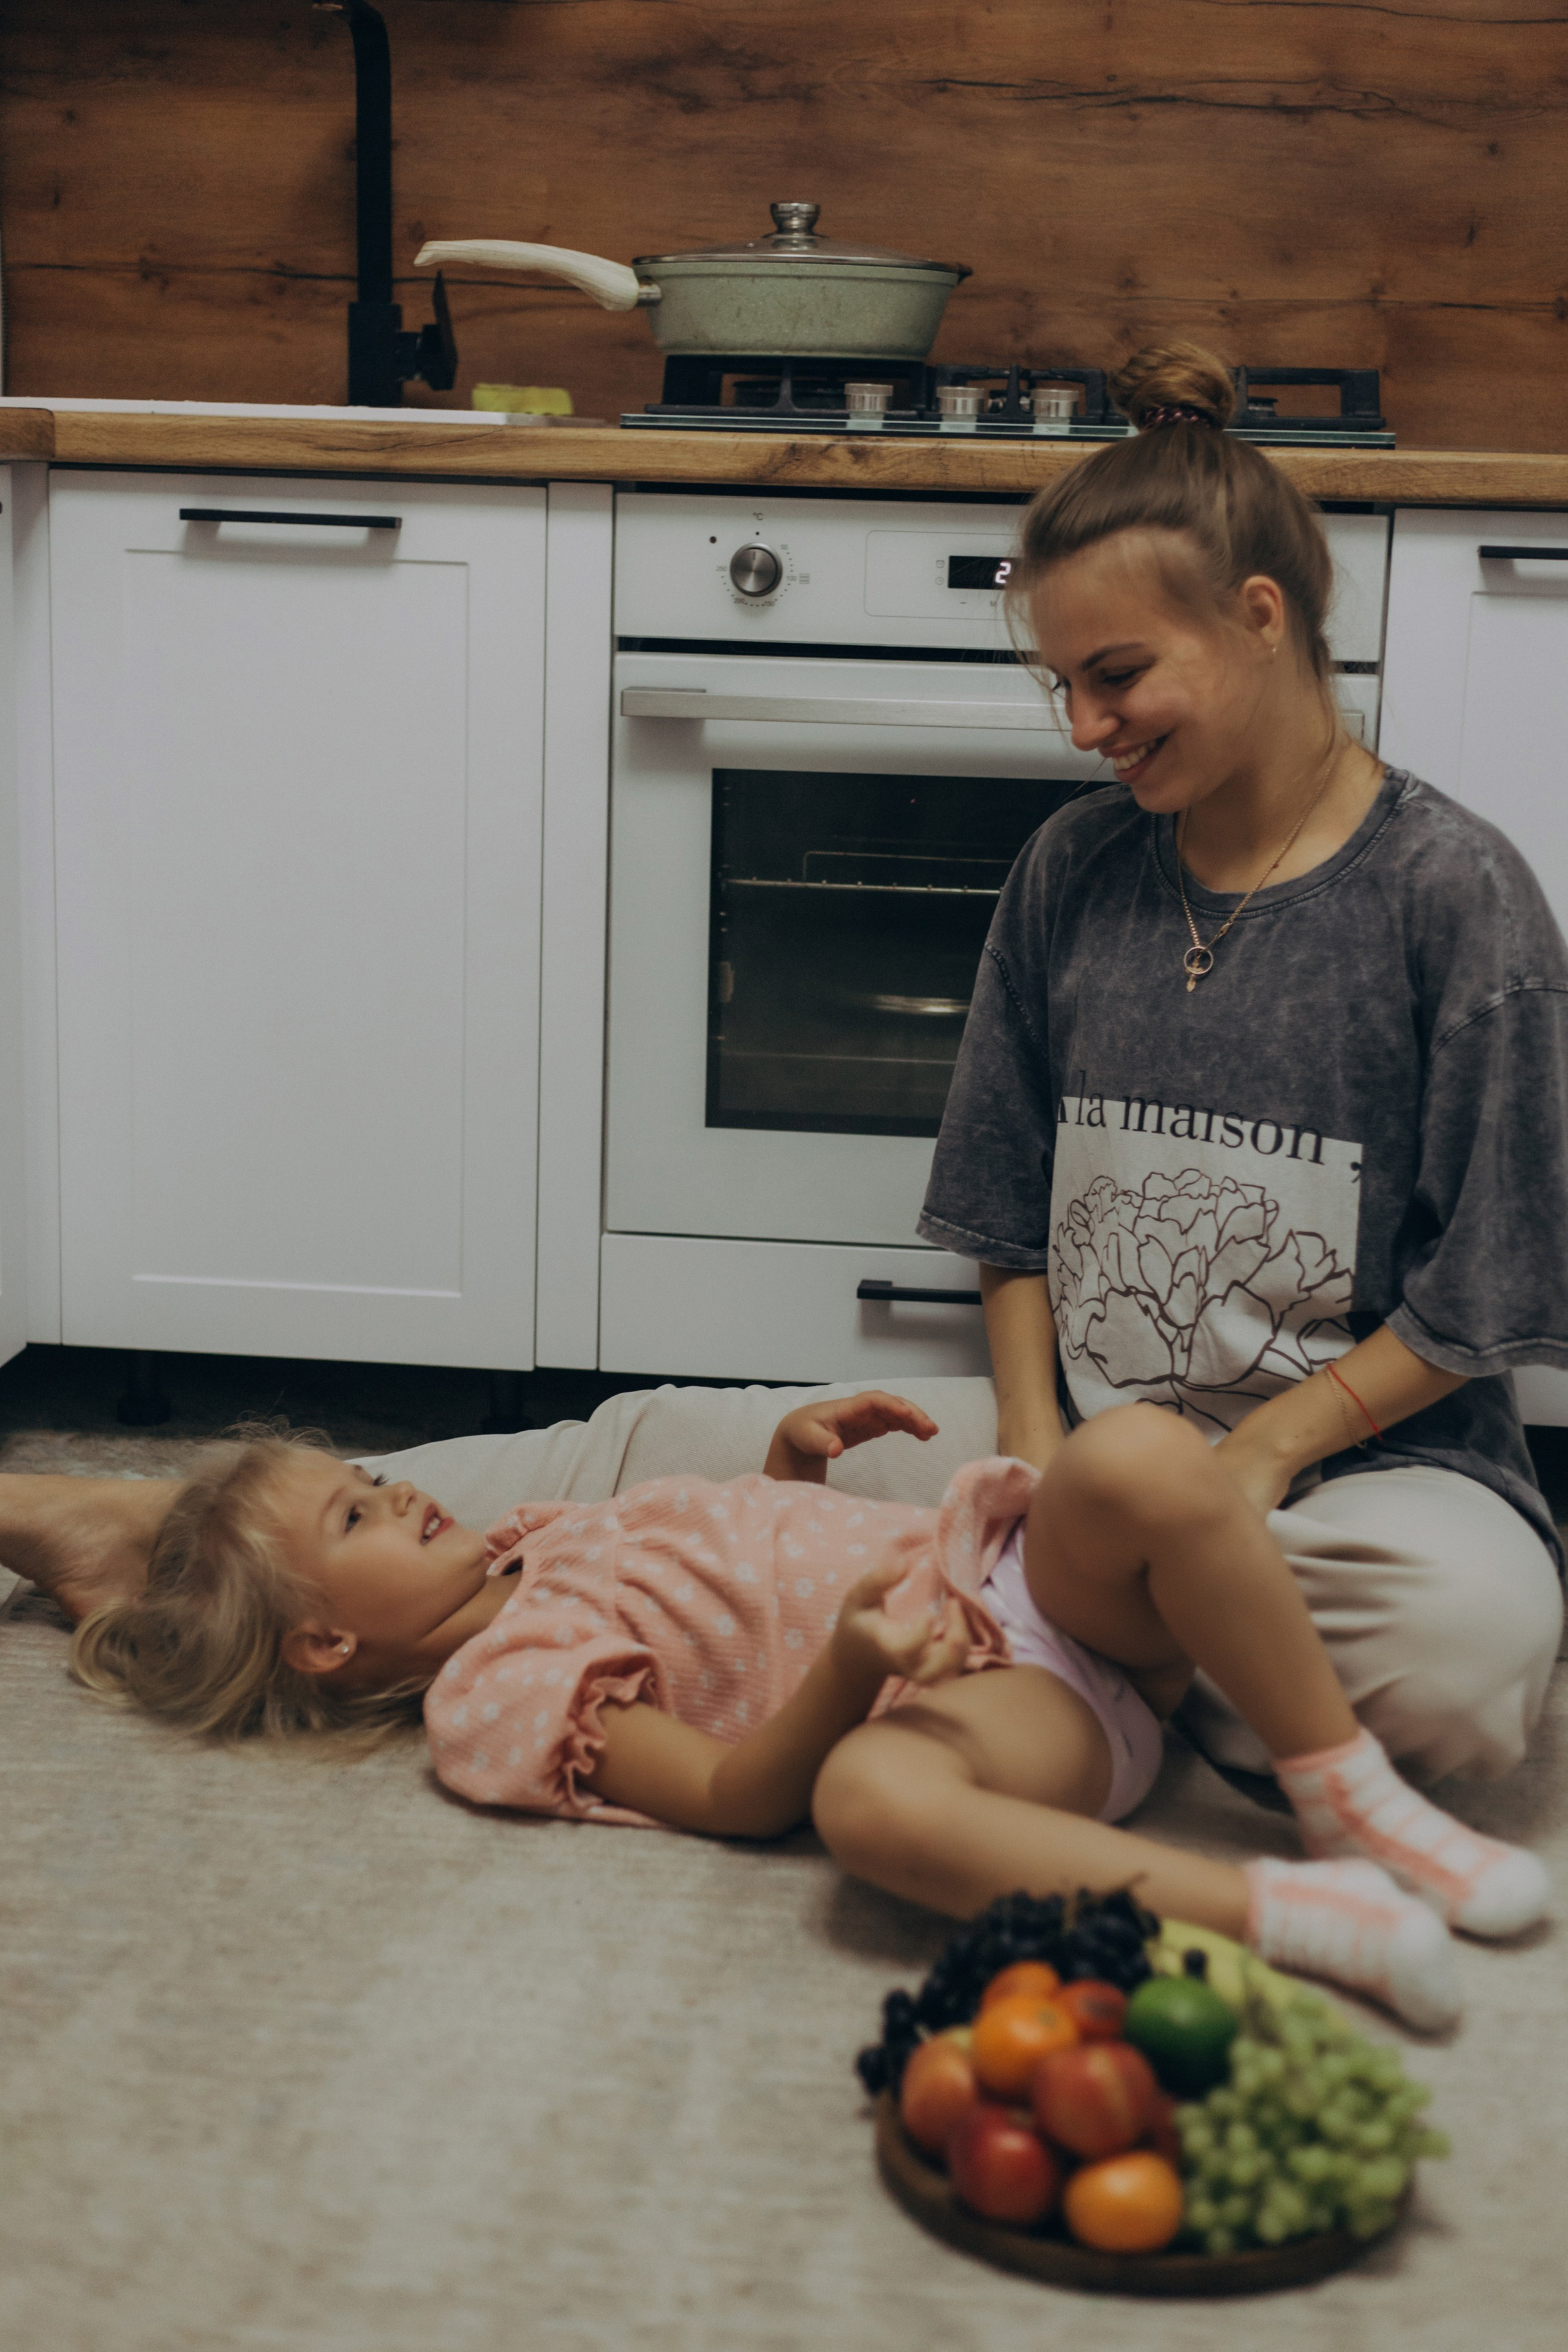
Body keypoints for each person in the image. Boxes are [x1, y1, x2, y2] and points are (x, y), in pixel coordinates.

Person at [23, 1389, 1550, 2032]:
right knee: (863, 1809)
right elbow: (736, 1794)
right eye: (361, 1517)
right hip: (991, 1705)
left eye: (371, 1478)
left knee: (1140, 1458)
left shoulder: (526, 1540)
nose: (404, 1491)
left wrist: (788, 1475)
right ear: (325, 1646)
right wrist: (850, 1662)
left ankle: (1346, 1794)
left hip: (1021, 1583)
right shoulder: (496, 1696)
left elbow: (723, 1584)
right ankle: (1290, 1914)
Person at [918, 340, 1567, 1790]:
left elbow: (1498, 1278)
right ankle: (1152, 1655)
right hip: (1093, 1460)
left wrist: (1258, 1461)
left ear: (1258, 617)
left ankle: (1063, 1656)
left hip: (1355, 1486)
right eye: (1060, 687)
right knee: (732, 1442)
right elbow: (1000, 1198)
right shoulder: (1068, 867)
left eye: (1118, 675)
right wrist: (1031, 1456)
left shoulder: (1455, 895)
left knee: (1467, 1652)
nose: (1085, 730)